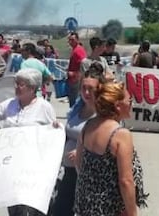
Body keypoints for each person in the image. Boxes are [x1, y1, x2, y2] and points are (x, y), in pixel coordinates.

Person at [74, 81, 148, 216]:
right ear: (118, 105)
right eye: (129, 100)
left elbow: (79, 163)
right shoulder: (120, 135)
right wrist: (132, 213)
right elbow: (126, 180)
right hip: (110, 208)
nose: (131, 104)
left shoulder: (88, 126)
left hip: (86, 204)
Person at [0, 68, 57, 216]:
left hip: (33, 168)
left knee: (34, 208)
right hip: (12, 167)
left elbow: (54, 136)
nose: (16, 87)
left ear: (32, 88)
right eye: (16, 83)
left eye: (21, 84)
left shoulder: (44, 107)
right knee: (15, 207)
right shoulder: (10, 104)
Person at [49, 63, 102, 216]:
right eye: (83, 87)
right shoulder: (77, 108)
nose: (86, 92)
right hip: (69, 172)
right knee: (60, 211)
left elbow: (107, 143)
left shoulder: (103, 114)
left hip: (90, 176)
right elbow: (69, 131)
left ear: (100, 90)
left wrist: (83, 151)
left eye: (91, 89)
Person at [66, 32, 87, 107]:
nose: (71, 42)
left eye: (73, 40)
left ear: (77, 40)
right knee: (72, 100)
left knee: (75, 102)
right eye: (69, 40)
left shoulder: (78, 50)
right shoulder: (74, 50)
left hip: (77, 80)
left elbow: (84, 64)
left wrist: (75, 73)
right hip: (73, 80)